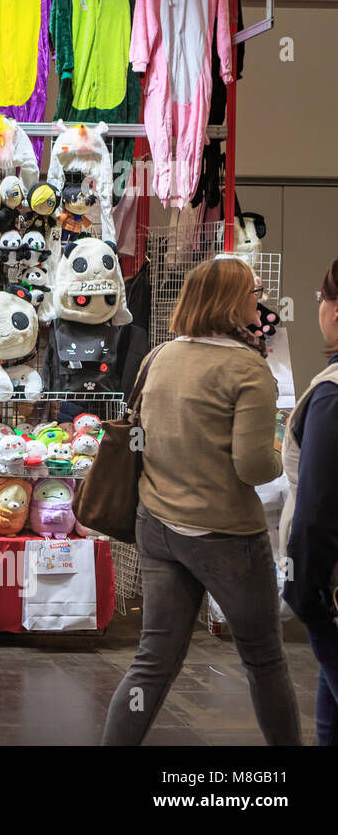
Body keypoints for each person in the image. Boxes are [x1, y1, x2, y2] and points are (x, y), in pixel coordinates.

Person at [102, 256, 301, 745]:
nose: (261, 300)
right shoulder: (247, 370)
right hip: (227, 535)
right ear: (234, 302)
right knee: (264, 660)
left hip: (157, 525)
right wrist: (284, 454)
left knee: (153, 661)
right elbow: (253, 468)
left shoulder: (160, 357)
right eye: (255, 292)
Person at [282, 259, 338, 744]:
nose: (318, 307)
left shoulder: (331, 393)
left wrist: (302, 589)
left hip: (332, 587)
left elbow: (316, 505)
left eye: (322, 298)